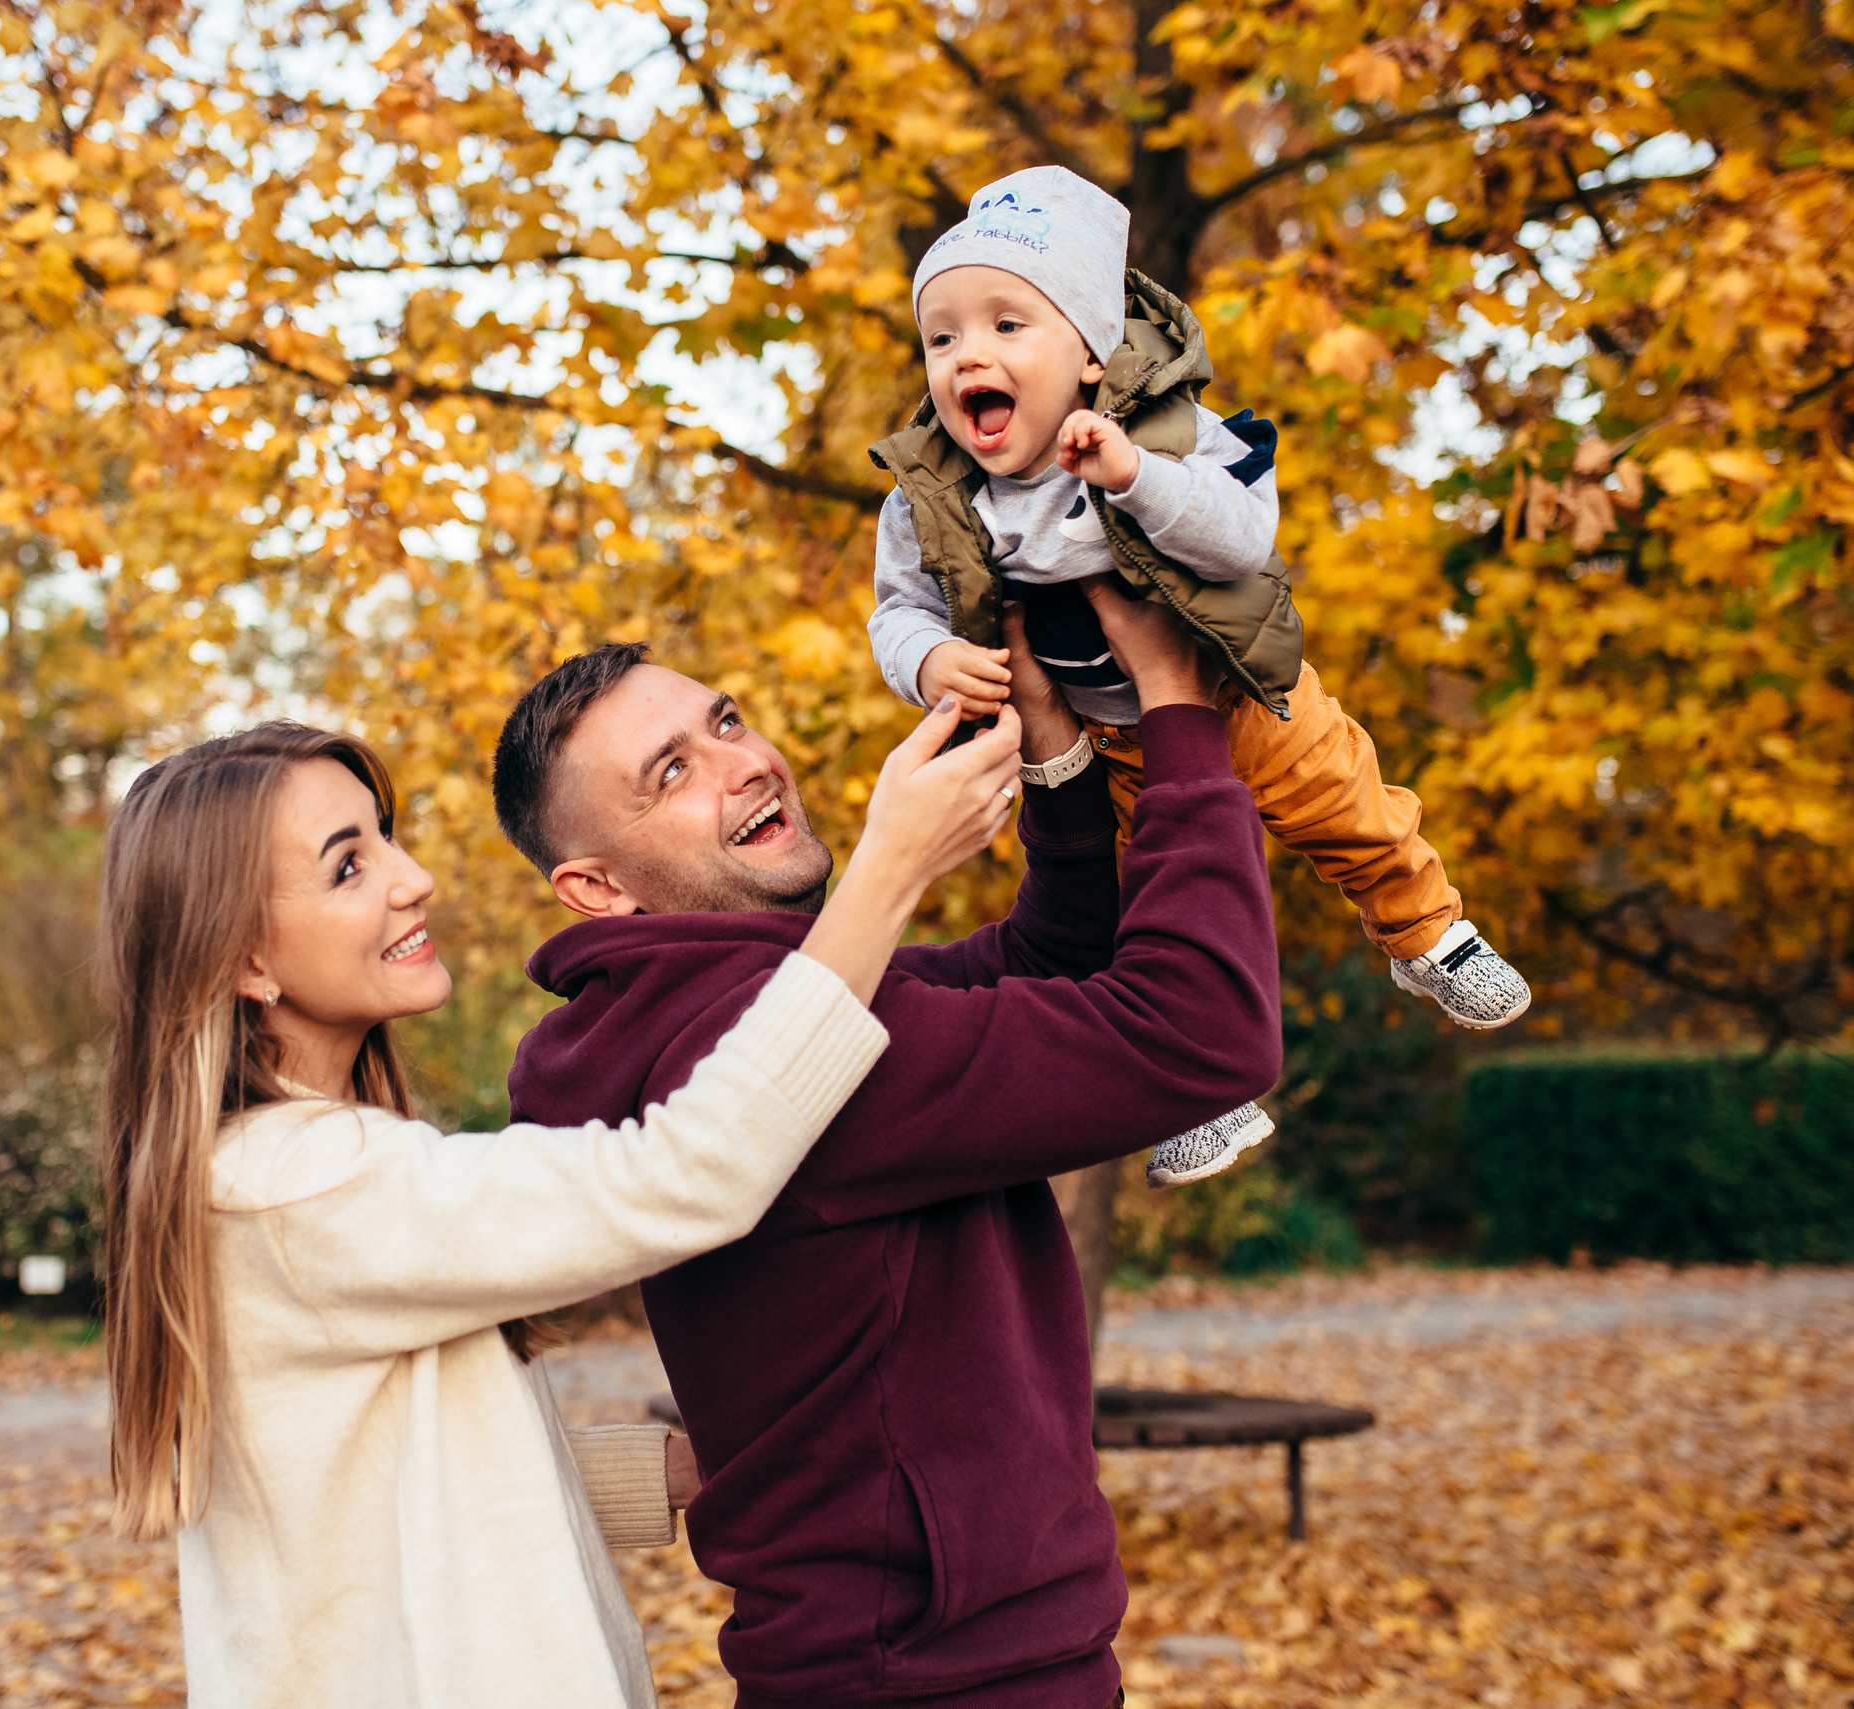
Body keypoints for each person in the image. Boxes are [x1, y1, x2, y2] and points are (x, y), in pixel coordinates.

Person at [93, 707, 1022, 1709]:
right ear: (244, 959)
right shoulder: (297, 1184)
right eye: (347, 866)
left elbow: (363, 1482)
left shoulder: (263, 1176)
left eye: (386, 838)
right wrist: (889, 867)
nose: (413, 879)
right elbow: (689, 1171)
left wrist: (685, 1468)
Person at [498, 592, 1281, 1709]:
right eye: (669, 773)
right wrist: (1175, 704)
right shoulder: (740, 1042)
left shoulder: (758, 1001)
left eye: (725, 721)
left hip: (964, 1665)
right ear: (597, 888)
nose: (743, 764)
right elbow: (1200, 1029)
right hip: (935, 1681)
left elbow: (1044, 962)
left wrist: (1054, 753)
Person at [866, 163, 1532, 1186]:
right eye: (942, 337)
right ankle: (1202, 1097)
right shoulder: (930, 498)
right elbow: (896, 610)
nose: (968, 357)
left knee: (1345, 804)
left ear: (1091, 354)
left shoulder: (1171, 437)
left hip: (1236, 689)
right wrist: (929, 659)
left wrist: (1134, 476)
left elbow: (1241, 539)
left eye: (1006, 324)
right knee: (1153, 902)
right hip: (1109, 739)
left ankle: (1427, 932)